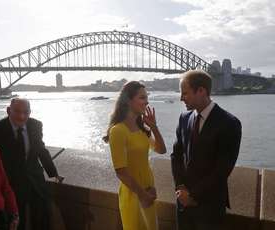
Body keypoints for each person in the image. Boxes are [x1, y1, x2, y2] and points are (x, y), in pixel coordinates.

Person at [171, 70, 242, 230]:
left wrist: (193, 195)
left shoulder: (229, 123)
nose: (181, 98)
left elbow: (223, 168)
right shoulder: (184, 118)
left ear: (201, 91)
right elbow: (176, 156)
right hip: (183, 203)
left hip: (210, 206)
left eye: (185, 93)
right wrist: (180, 187)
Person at [0, 98, 63, 230]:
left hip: (35, 181)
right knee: (17, 222)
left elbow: (40, 149)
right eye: (17, 112)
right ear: (8, 110)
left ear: (30, 112)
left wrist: (53, 174)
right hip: (11, 185)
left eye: (26, 112)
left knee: (41, 219)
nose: (22, 116)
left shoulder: (35, 125)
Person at [104, 81, 167, 230]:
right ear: (128, 100)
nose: (147, 101)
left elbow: (161, 150)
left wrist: (154, 127)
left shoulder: (141, 129)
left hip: (148, 193)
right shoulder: (118, 130)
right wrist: (143, 195)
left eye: (147, 97)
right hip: (134, 195)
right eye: (142, 97)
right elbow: (121, 172)